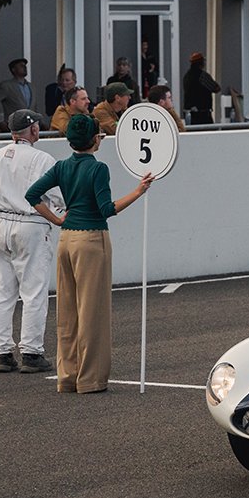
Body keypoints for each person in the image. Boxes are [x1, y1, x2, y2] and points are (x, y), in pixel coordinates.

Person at [25, 114, 152, 395]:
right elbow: (107, 209)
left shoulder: (61, 167)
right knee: (93, 311)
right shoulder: (98, 169)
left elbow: (32, 194)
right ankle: (90, 379)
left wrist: (57, 220)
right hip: (92, 238)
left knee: (68, 312)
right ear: (96, 139)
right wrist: (139, 191)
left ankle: (67, 375)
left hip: (66, 238)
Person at [0, 109, 62, 374]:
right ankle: (31, 351)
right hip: (31, 223)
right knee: (33, 291)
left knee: (2, 291)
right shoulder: (43, 158)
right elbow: (58, 195)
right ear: (34, 130)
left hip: (0, 222)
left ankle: (3, 352)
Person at [0, 58, 34, 130]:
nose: (24, 67)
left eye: (25, 65)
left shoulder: (31, 87)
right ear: (13, 69)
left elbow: (34, 107)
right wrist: (0, 122)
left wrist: (40, 123)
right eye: (21, 66)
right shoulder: (7, 86)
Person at [182, 53, 220, 125]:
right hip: (203, 113)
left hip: (189, 113)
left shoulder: (186, 76)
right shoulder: (203, 76)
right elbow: (216, 88)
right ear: (201, 63)